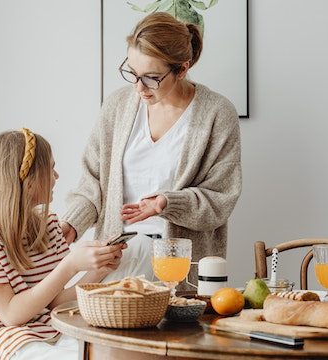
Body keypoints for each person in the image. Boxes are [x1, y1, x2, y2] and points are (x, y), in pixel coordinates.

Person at [61, 12, 242, 285]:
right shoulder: (117, 107)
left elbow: (220, 199)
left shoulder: (217, 113)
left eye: (151, 78)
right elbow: (93, 182)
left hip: (178, 268)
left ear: (182, 69)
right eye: (132, 73)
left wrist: (168, 203)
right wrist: (72, 224)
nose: (138, 88)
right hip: (117, 257)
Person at [0, 129, 126, 360]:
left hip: (57, 330)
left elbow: (55, 303)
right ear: (27, 178)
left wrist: (99, 269)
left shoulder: (47, 225)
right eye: (50, 169)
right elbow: (11, 315)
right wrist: (70, 266)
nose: (56, 176)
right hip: (11, 341)